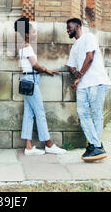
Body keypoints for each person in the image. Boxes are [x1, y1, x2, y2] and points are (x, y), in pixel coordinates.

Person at [14, 16, 67, 156]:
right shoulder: (27, 47)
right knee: (40, 112)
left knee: (29, 113)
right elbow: (35, 66)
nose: (35, 34)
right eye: (34, 32)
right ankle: (48, 144)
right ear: (27, 34)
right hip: (30, 80)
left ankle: (29, 147)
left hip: (28, 80)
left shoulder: (22, 47)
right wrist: (46, 69)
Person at [66, 18, 111, 162]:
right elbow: (71, 66)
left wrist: (79, 75)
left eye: (69, 27)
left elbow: (90, 56)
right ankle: (96, 145)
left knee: (97, 113)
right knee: (82, 112)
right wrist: (75, 73)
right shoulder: (74, 47)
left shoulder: (89, 37)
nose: (67, 30)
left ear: (77, 26)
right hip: (83, 85)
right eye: (67, 28)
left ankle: (94, 146)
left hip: (97, 82)